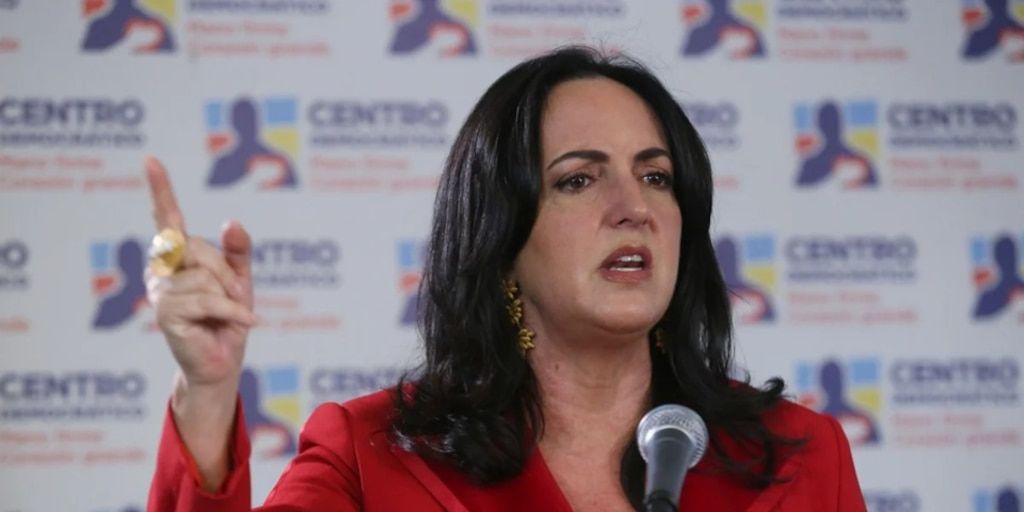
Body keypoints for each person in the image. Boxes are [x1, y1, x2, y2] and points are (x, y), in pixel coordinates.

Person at [145, 47, 866, 511]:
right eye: (578, 179)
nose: (635, 208)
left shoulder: (804, 458)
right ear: (500, 235)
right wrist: (207, 393)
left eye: (656, 177)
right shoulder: (371, 454)